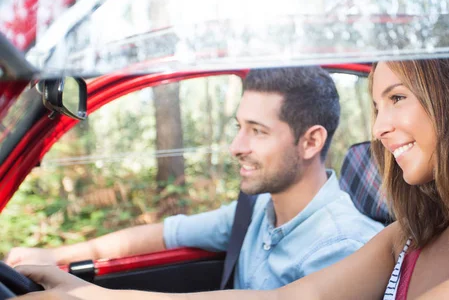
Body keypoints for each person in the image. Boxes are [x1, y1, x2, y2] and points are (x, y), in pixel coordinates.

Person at [14, 55, 449, 299]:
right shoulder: (415, 233)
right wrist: (95, 294)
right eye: (376, 106)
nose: (383, 127)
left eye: (398, 98)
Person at [7, 66, 384, 290]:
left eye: (257, 131)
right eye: (239, 126)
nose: (236, 146)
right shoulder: (258, 210)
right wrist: (55, 256)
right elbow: (169, 232)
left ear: (311, 141)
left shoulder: (343, 246)